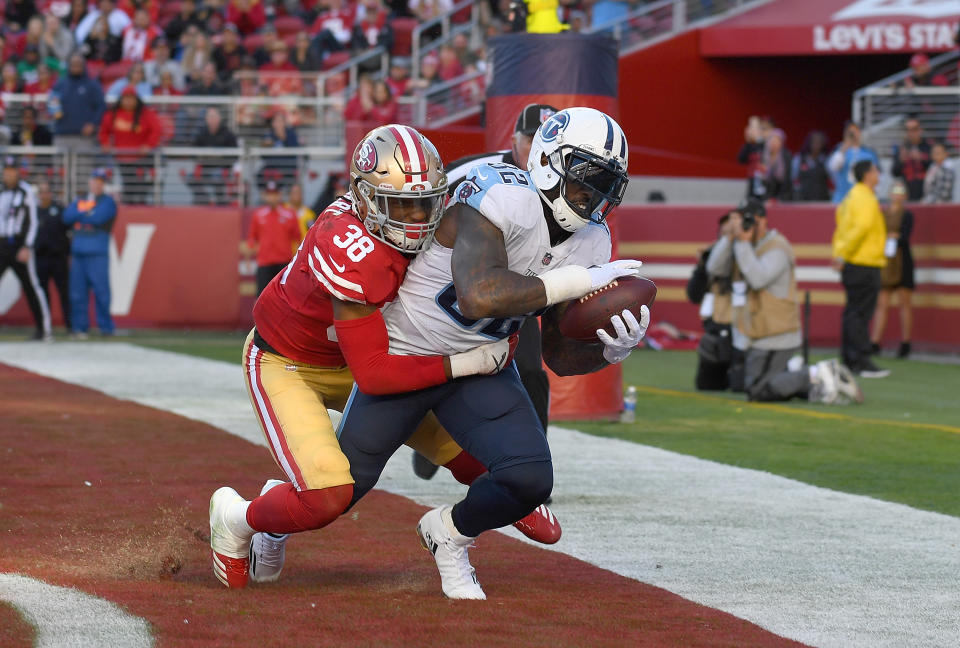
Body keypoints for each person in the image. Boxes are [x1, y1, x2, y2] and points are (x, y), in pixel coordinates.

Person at [209, 125, 554, 589]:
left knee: (480, 458)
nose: (415, 218)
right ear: (364, 197)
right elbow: (373, 374)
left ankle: (513, 495)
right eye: (400, 205)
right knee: (328, 496)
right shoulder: (350, 244)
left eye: (426, 202)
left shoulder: (442, 220)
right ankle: (241, 517)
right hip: (293, 363)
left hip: (375, 357)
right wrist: (460, 365)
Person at [330, 108, 646, 600]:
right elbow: (478, 293)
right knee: (335, 492)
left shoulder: (592, 239)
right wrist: (575, 281)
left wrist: (609, 351)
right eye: (587, 181)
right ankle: (261, 528)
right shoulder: (499, 191)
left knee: (529, 479)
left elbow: (561, 356)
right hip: (408, 354)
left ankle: (450, 536)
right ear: (547, 161)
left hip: (481, 364)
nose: (595, 198)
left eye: (608, 186)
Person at [411, 102, 558, 480]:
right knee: (436, 363)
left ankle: (531, 465)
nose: (535, 148)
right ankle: (431, 439)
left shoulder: (559, 183)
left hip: (516, 292)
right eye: (530, 139)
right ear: (515, 139)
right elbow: (425, 204)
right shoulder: (477, 168)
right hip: (454, 285)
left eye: (544, 140)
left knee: (529, 370)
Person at [707, 199, 861, 404]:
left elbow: (758, 278)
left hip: (778, 332)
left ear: (761, 221)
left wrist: (742, 243)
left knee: (757, 391)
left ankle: (817, 372)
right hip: (757, 331)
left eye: (747, 220)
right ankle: (810, 379)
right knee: (750, 386)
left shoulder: (777, 247)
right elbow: (714, 268)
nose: (743, 226)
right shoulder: (739, 244)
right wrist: (728, 237)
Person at [832, 159, 889, 378]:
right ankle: (861, 361)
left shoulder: (850, 197)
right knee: (860, 314)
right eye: (875, 171)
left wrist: (840, 254)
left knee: (852, 312)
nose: (878, 175)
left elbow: (842, 228)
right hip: (864, 262)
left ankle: (849, 358)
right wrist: (844, 254)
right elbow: (862, 228)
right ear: (867, 175)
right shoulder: (864, 197)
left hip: (853, 262)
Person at [0, 156, 52, 341]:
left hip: (19, 244)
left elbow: (33, 221)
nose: (8, 174)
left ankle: (44, 329)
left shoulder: (25, 191)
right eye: (6, 171)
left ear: (18, 172)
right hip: (2, 244)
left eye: (12, 171)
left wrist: (27, 246)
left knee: (32, 287)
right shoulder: (2, 191)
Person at [63, 168, 117, 338]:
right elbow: (66, 217)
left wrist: (81, 214)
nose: (97, 185)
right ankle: (80, 327)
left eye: (100, 182)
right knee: (77, 293)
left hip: (97, 253)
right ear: (90, 182)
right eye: (95, 181)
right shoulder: (81, 199)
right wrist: (85, 212)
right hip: (79, 253)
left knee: (102, 292)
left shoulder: (108, 202)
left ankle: (106, 327)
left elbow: (98, 218)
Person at [689, 212, 737, 391]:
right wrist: (701, 268)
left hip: (742, 331)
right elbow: (694, 295)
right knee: (707, 385)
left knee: (740, 385)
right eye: (724, 235)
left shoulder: (750, 256)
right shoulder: (711, 257)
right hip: (716, 333)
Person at [871, 182, 914, 359]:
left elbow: (904, 237)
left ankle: (905, 342)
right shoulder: (883, 213)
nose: (897, 195)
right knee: (882, 303)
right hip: (886, 260)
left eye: (900, 192)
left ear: (905, 196)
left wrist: (893, 236)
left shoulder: (908, 215)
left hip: (902, 261)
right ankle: (875, 341)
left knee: (905, 303)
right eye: (894, 191)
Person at [98, 86, 163, 204]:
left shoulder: (146, 114)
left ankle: (141, 209)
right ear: (121, 100)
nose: (128, 101)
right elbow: (104, 131)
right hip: (122, 159)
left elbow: (156, 130)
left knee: (141, 187)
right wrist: (105, 143)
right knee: (127, 187)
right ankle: (129, 208)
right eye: (125, 98)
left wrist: (149, 145)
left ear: (136, 99)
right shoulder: (112, 114)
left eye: (131, 98)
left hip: (141, 159)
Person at [241, 180, 301, 296]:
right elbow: (252, 238)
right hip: (264, 263)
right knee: (261, 298)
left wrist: (297, 262)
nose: (272, 198)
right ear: (264, 196)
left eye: (274, 194)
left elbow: (298, 239)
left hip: (284, 264)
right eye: (269, 194)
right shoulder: (258, 215)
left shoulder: (289, 214)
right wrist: (247, 258)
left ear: (279, 195)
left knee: (284, 298)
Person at [33, 179, 72, 332]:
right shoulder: (34, 211)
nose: (44, 195)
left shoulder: (59, 209)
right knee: (42, 294)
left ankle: (70, 325)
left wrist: (65, 250)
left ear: (51, 193)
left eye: (47, 191)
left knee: (64, 292)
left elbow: (69, 230)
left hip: (58, 258)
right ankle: (44, 326)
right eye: (41, 192)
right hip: (40, 257)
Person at [49, 53, 106, 145]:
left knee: (84, 159)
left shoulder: (92, 85)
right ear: (69, 65)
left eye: (78, 64)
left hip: (84, 137)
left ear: (84, 65)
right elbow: (52, 101)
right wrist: (54, 111)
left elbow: (100, 106)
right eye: (73, 64)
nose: (76, 67)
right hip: (62, 134)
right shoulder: (60, 84)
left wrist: (93, 124)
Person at [189, 107, 238, 205]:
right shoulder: (202, 133)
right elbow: (193, 152)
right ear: (206, 119)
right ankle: (204, 200)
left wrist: (220, 158)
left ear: (219, 118)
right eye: (210, 117)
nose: (212, 119)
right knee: (191, 178)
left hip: (222, 168)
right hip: (205, 167)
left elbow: (235, 154)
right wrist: (203, 157)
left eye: (214, 117)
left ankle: (221, 203)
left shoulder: (228, 134)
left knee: (217, 176)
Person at [828, 121, 879, 204]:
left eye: (856, 131)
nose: (853, 135)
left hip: (863, 200)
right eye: (850, 132)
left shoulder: (869, 153)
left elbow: (877, 176)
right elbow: (833, 167)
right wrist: (845, 147)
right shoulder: (840, 150)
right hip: (842, 199)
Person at [891, 117, 931, 201]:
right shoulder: (901, 148)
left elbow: (935, 168)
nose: (910, 133)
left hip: (926, 194)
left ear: (920, 130)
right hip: (905, 195)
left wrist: (921, 158)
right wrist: (901, 160)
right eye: (907, 130)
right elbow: (894, 173)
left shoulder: (929, 147)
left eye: (914, 129)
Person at [791, 130, 830, 201]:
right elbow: (792, 177)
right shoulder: (800, 159)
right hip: (803, 199)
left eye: (819, 142)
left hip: (822, 199)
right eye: (814, 142)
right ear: (809, 143)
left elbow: (834, 178)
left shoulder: (826, 160)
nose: (816, 145)